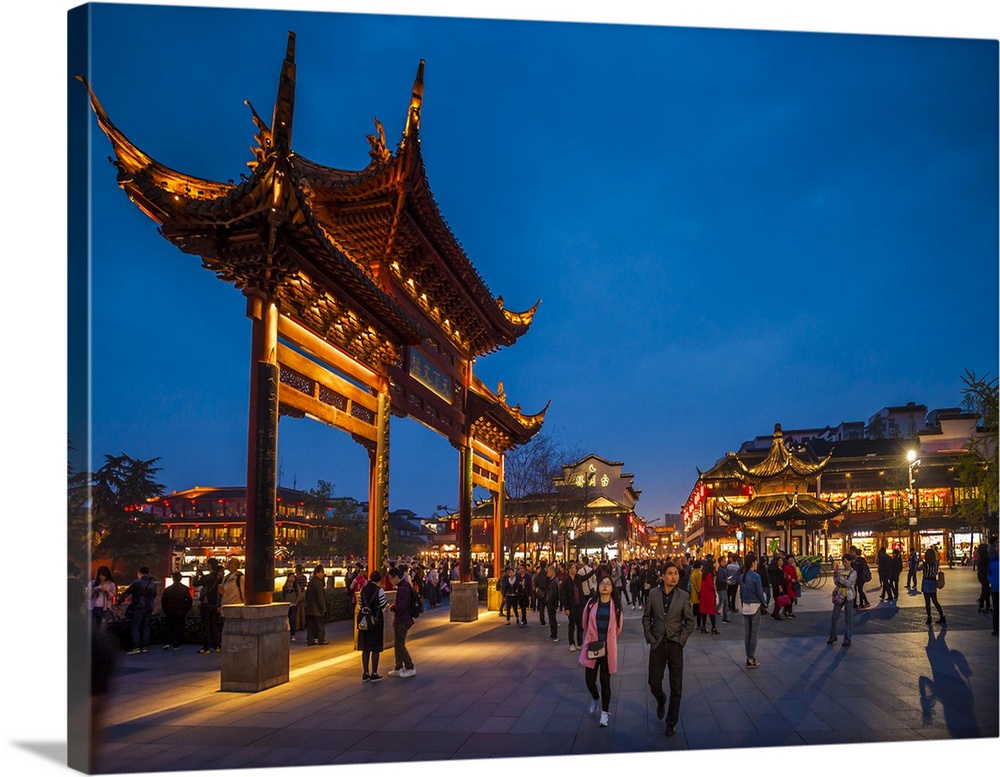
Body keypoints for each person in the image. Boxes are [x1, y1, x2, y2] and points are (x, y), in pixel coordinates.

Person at [642, 561, 695, 737]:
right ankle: (660, 698)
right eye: (670, 573)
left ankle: (671, 722)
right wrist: (649, 636)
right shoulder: (653, 594)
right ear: (663, 576)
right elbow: (646, 617)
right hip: (657, 643)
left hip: (674, 644)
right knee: (653, 683)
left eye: (676, 573)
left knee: (676, 686)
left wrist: (681, 640)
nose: (674, 576)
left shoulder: (683, 596)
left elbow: (690, 621)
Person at [579, 573, 623, 728]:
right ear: (598, 586)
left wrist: (607, 639)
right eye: (602, 583)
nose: (604, 586)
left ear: (612, 588)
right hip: (592, 645)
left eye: (608, 584)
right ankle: (595, 697)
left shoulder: (616, 607)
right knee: (589, 680)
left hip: (608, 649)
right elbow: (584, 623)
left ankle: (604, 713)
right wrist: (592, 636)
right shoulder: (591, 603)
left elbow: (617, 628)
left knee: (605, 682)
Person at [357, 570, 387, 682]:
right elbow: (383, 605)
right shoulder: (379, 591)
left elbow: (360, 604)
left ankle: (365, 673)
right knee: (375, 648)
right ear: (379, 580)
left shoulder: (362, 590)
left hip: (364, 622)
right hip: (376, 622)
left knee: (365, 648)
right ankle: (374, 673)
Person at [387, 567, 417, 677]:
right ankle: (398, 666)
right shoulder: (405, 586)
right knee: (398, 643)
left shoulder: (403, 589)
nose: (390, 581)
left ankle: (410, 666)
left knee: (399, 644)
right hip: (405, 618)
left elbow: (401, 606)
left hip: (402, 619)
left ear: (396, 577)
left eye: (391, 579)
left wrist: (392, 607)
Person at [121, 566, 157, 654]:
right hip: (149, 607)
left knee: (135, 626)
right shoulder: (152, 583)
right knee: (146, 625)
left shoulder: (136, 582)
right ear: (148, 573)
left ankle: (135, 646)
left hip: (138, 606)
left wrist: (119, 602)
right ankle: (145, 646)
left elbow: (127, 592)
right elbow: (154, 595)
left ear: (139, 573)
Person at [738, 552, 766, 667]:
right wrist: (764, 602)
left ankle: (748, 656)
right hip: (755, 605)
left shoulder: (742, 577)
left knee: (747, 633)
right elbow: (759, 592)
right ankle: (751, 657)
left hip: (745, 606)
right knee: (754, 633)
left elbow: (740, 593)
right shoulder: (756, 576)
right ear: (753, 563)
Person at [828, 553, 857, 647]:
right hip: (839, 596)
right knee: (834, 617)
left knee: (848, 618)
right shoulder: (841, 570)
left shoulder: (853, 572)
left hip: (848, 596)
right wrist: (836, 576)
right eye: (843, 562)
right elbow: (837, 583)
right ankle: (832, 636)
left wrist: (840, 577)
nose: (844, 564)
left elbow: (849, 584)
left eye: (846, 562)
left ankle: (847, 639)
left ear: (850, 561)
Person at [194, 558, 222, 654]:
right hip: (215, 604)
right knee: (214, 626)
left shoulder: (207, 578)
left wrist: (197, 576)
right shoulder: (219, 578)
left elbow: (195, 584)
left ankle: (206, 648)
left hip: (206, 604)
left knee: (206, 626)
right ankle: (217, 646)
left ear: (209, 565)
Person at [160, 572, 193, 650]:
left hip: (170, 610)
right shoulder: (185, 589)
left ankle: (167, 642)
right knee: (179, 627)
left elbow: (163, 600)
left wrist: (165, 609)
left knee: (168, 626)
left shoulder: (168, 589)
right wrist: (186, 609)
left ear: (173, 579)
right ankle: (177, 644)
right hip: (181, 611)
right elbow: (189, 600)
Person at [920, 548, 946, 626]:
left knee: (927, 602)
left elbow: (917, 569)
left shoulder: (924, 565)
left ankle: (929, 617)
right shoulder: (936, 563)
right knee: (935, 601)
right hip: (933, 582)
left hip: (926, 582)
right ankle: (942, 616)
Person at [562, 562, 585, 651]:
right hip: (572, 606)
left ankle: (580, 643)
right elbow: (564, 595)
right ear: (570, 570)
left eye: (575, 568)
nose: (575, 570)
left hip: (580, 605)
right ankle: (571, 643)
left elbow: (586, 577)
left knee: (580, 625)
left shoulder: (578, 578)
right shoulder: (566, 581)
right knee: (571, 625)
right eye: (574, 568)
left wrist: (594, 570)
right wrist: (566, 608)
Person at [87, 566, 117, 631]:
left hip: (105, 609)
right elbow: (89, 596)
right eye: (100, 575)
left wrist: (106, 591)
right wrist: (96, 590)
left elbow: (112, 595)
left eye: (104, 575)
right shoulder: (92, 583)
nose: (102, 577)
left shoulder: (111, 584)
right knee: (93, 628)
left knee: (102, 628)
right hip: (93, 608)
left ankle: (101, 639)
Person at [305, 565, 328, 646]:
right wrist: (323, 607)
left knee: (311, 626)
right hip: (317, 609)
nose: (322, 575)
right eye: (321, 573)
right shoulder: (318, 583)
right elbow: (320, 597)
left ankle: (310, 640)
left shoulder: (311, 582)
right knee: (320, 625)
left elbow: (307, 595)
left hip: (310, 608)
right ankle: (321, 639)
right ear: (317, 573)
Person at [698, 557, 719, 634]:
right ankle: (713, 628)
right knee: (712, 612)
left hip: (704, 595)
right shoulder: (709, 575)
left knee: (704, 612)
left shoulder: (703, 574)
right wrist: (714, 587)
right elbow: (710, 585)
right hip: (709, 595)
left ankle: (703, 627)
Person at [544, 563, 561, 642]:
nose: (547, 574)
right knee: (552, 619)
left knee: (552, 619)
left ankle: (554, 635)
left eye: (548, 572)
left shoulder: (553, 582)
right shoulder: (553, 580)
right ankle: (553, 634)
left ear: (552, 572)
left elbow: (552, 594)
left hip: (552, 603)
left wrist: (548, 602)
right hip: (552, 603)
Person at [281, 572, 300, 641]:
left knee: (292, 619)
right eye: (291, 577)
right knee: (287, 620)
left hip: (293, 605)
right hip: (287, 605)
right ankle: (288, 633)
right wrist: (283, 603)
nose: (292, 578)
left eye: (293, 577)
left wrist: (295, 602)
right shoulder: (285, 586)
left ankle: (292, 634)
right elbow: (283, 595)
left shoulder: (296, 586)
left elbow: (299, 594)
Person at [976, 543, 992, 614]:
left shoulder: (980, 558)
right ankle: (982, 606)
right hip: (985, 575)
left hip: (981, 575)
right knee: (985, 590)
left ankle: (987, 606)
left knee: (986, 590)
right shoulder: (986, 558)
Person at [987, 537, 998, 637]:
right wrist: (992, 581)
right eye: (997, 546)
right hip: (995, 588)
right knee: (996, 609)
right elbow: (989, 573)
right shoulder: (992, 560)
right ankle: (996, 628)